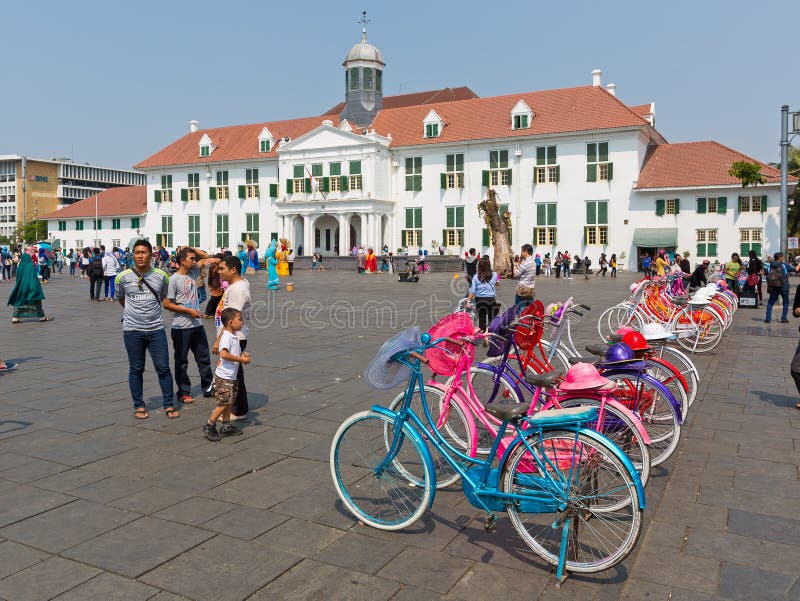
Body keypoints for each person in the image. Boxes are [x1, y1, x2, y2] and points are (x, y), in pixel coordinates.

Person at [116, 239, 177, 420]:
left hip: (156, 329)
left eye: (144, 252)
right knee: (136, 369)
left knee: (163, 368)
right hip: (132, 330)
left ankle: (168, 404)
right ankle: (139, 405)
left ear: (151, 255)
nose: (140, 256)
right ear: (133, 255)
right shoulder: (123, 277)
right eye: (137, 252)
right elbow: (121, 299)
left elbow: (164, 297)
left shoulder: (161, 276)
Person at [163, 247, 218, 404]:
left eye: (194, 259)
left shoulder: (194, 271)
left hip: (197, 325)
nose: (194, 261)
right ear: (182, 261)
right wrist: (187, 310)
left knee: (204, 358)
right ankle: (183, 391)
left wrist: (191, 249)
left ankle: (208, 387)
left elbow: (206, 257)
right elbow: (166, 303)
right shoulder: (173, 279)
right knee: (181, 361)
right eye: (190, 259)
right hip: (181, 327)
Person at [213, 255, 252, 418]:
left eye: (222, 269)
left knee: (232, 376)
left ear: (233, 270)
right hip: (233, 336)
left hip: (233, 337)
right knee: (235, 373)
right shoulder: (237, 284)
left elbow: (231, 319)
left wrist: (218, 341)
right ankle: (237, 407)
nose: (219, 272)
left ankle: (238, 409)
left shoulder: (237, 289)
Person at [203, 307, 250, 441]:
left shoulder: (233, 336)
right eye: (239, 320)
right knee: (224, 403)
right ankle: (209, 424)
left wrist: (242, 356)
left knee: (230, 401)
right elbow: (223, 354)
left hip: (231, 376)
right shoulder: (227, 337)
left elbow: (232, 354)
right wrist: (241, 359)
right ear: (230, 322)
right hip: (224, 377)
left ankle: (226, 426)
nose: (242, 322)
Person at [7, 254, 53, 323]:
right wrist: (35, 289)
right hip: (29, 287)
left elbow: (18, 280)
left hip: (21, 288)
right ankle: (42, 317)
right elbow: (33, 278)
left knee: (19, 302)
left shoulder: (20, 267)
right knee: (36, 303)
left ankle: (15, 318)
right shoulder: (30, 266)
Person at [466, 256, 499, 336]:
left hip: (480, 300)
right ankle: (490, 334)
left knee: (482, 318)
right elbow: (497, 283)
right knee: (492, 318)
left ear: (479, 266)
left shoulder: (476, 276)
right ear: (489, 265)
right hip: (491, 299)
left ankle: (483, 335)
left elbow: (472, 290)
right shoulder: (494, 274)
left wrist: (468, 301)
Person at [765, 252, 790, 324]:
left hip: (773, 286)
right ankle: (784, 318)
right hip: (784, 286)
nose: (783, 258)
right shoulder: (784, 265)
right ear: (779, 258)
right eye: (782, 257)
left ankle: (768, 318)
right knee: (786, 302)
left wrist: (768, 287)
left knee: (770, 303)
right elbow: (796, 269)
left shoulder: (769, 266)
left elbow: (767, 277)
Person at [515, 244, 536, 311]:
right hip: (530, 290)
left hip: (522, 290)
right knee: (530, 311)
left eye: (522, 251)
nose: (521, 253)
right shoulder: (533, 262)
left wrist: (515, 264)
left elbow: (516, 274)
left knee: (521, 311)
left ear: (526, 252)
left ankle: (523, 321)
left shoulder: (525, 263)